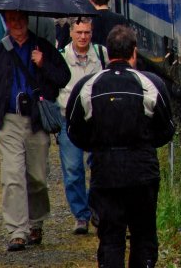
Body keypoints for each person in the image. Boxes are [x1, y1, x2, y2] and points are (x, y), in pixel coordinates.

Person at [66, 25, 175, 268]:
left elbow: (74, 130)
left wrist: (97, 146)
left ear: (108, 52)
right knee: (143, 235)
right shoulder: (151, 84)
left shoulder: (88, 85)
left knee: (110, 237)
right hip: (142, 171)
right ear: (134, 52)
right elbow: (167, 128)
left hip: (105, 171)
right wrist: (146, 145)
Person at [0, 10, 70, 252]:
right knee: (13, 176)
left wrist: (43, 64)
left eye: (20, 19)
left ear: (27, 21)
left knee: (37, 178)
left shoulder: (42, 47)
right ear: (6, 23)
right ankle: (17, 231)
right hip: (9, 121)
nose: (17, 24)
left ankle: (35, 222)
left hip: (36, 121)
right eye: (12, 20)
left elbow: (63, 77)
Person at [58, 17, 106, 235]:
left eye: (87, 32)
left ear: (92, 33)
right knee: (72, 170)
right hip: (69, 120)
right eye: (79, 32)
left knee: (100, 167)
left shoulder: (102, 54)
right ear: (71, 33)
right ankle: (80, 215)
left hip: (97, 121)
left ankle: (95, 208)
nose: (83, 37)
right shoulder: (60, 57)